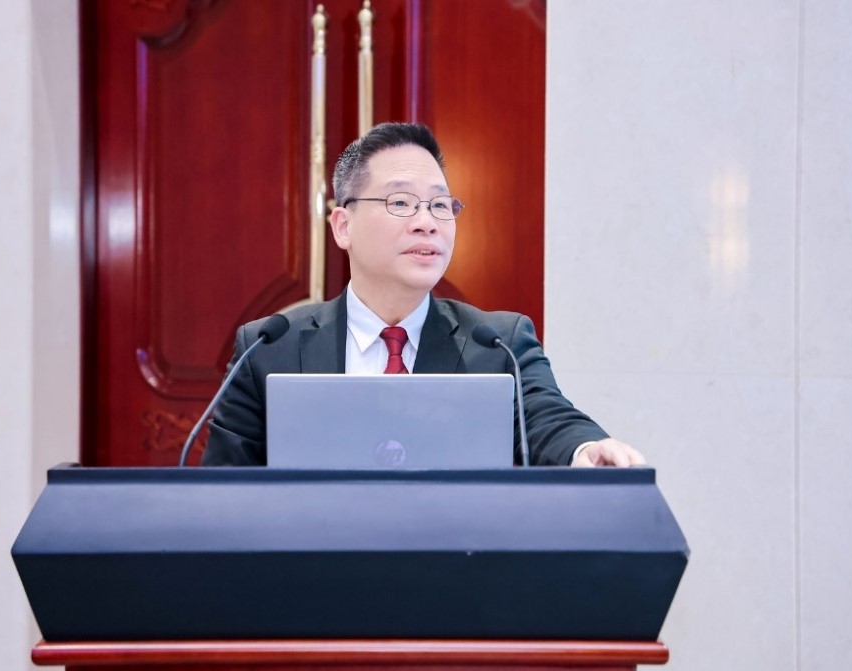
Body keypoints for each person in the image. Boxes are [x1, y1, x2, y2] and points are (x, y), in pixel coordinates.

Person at [202, 122, 644, 468]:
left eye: (439, 205)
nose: (426, 222)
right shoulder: (267, 348)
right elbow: (223, 494)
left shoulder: (499, 343)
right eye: (400, 203)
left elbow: (546, 416)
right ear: (343, 226)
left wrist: (585, 447)